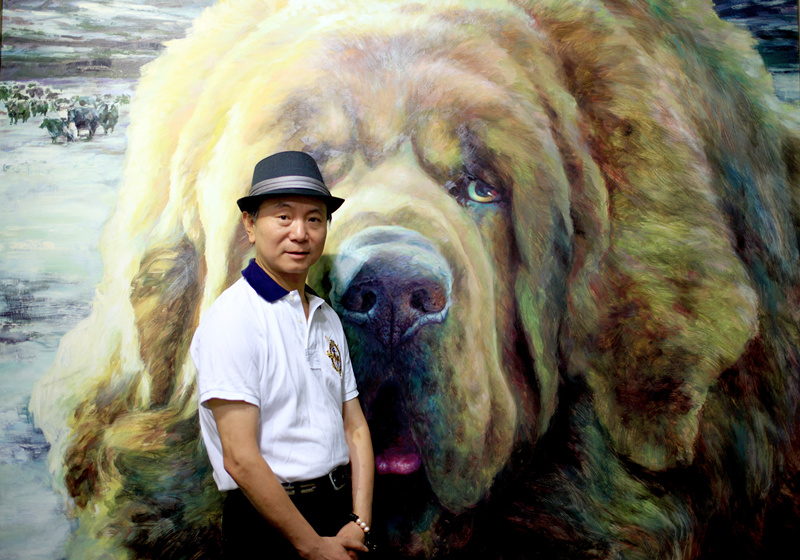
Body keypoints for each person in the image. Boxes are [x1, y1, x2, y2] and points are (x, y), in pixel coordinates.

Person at [191, 151, 374, 559]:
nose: (300, 233)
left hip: (337, 512)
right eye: (283, 216)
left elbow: (355, 427)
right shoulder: (233, 318)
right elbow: (240, 458)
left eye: (314, 219)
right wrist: (313, 547)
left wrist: (359, 521)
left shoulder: (327, 317)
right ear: (250, 224)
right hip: (267, 523)